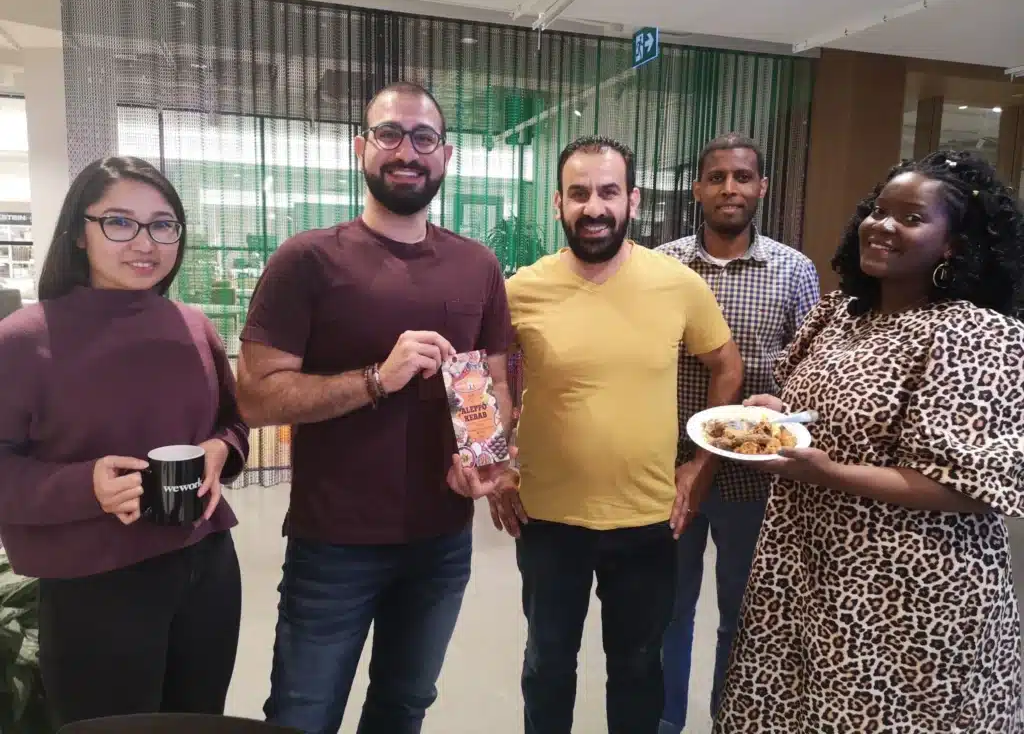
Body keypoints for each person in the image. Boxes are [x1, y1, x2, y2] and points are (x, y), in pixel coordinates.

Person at [237, 81, 515, 734]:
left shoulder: (477, 267)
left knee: (402, 708)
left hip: (442, 541)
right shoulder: (307, 260)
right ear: (361, 148)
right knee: (302, 715)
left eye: (423, 138)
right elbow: (254, 397)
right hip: (334, 542)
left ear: (444, 156)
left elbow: (495, 381)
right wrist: (375, 380)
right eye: (390, 134)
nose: (406, 151)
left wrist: (484, 456)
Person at [715, 150, 1024, 733]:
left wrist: (827, 474)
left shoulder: (973, 334)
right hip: (807, 567)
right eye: (879, 211)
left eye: (910, 218)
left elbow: (965, 488)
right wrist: (782, 413)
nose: (882, 225)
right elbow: (834, 411)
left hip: (907, 590)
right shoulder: (842, 314)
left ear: (955, 244)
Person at [489, 136, 744, 734]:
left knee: (636, 669)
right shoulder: (520, 289)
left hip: (648, 519)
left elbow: (727, 366)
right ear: (558, 204)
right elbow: (486, 380)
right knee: (548, 666)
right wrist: (496, 462)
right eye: (579, 194)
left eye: (608, 192)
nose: (594, 207)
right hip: (548, 518)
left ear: (632, 199)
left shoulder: (677, 283)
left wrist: (701, 464)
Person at [0, 157, 248, 724]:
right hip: (94, 581)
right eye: (119, 222)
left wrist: (219, 451)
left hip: (205, 566)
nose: (145, 242)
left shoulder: (193, 325)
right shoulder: (23, 340)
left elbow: (233, 424)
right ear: (79, 234)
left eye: (163, 225)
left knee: (199, 718)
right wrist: (84, 486)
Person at [656, 133, 819, 732]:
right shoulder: (663, 266)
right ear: (697, 188)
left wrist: (785, 402)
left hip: (755, 481)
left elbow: (815, 372)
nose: (731, 188)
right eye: (718, 177)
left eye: (743, 177)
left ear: (762, 188)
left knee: (743, 619)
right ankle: (664, 723)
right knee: (668, 616)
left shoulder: (794, 270)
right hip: (672, 472)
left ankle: (732, 720)